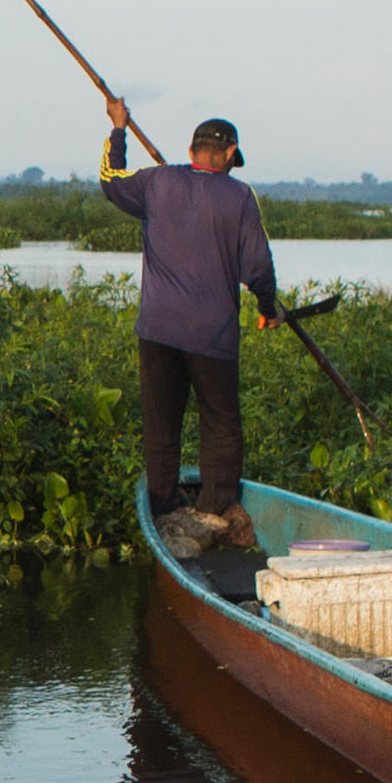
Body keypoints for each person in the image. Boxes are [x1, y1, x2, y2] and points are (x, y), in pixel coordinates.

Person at [99, 100, 284, 549]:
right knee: (220, 423)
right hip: (213, 336)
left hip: (158, 330)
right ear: (229, 153)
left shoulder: (157, 182)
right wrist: (267, 305)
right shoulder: (239, 196)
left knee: (162, 420)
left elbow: (110, 181)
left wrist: (119, 130)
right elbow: (256, 266)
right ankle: (216, 507)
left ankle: (164, 506)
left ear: (191, 149)